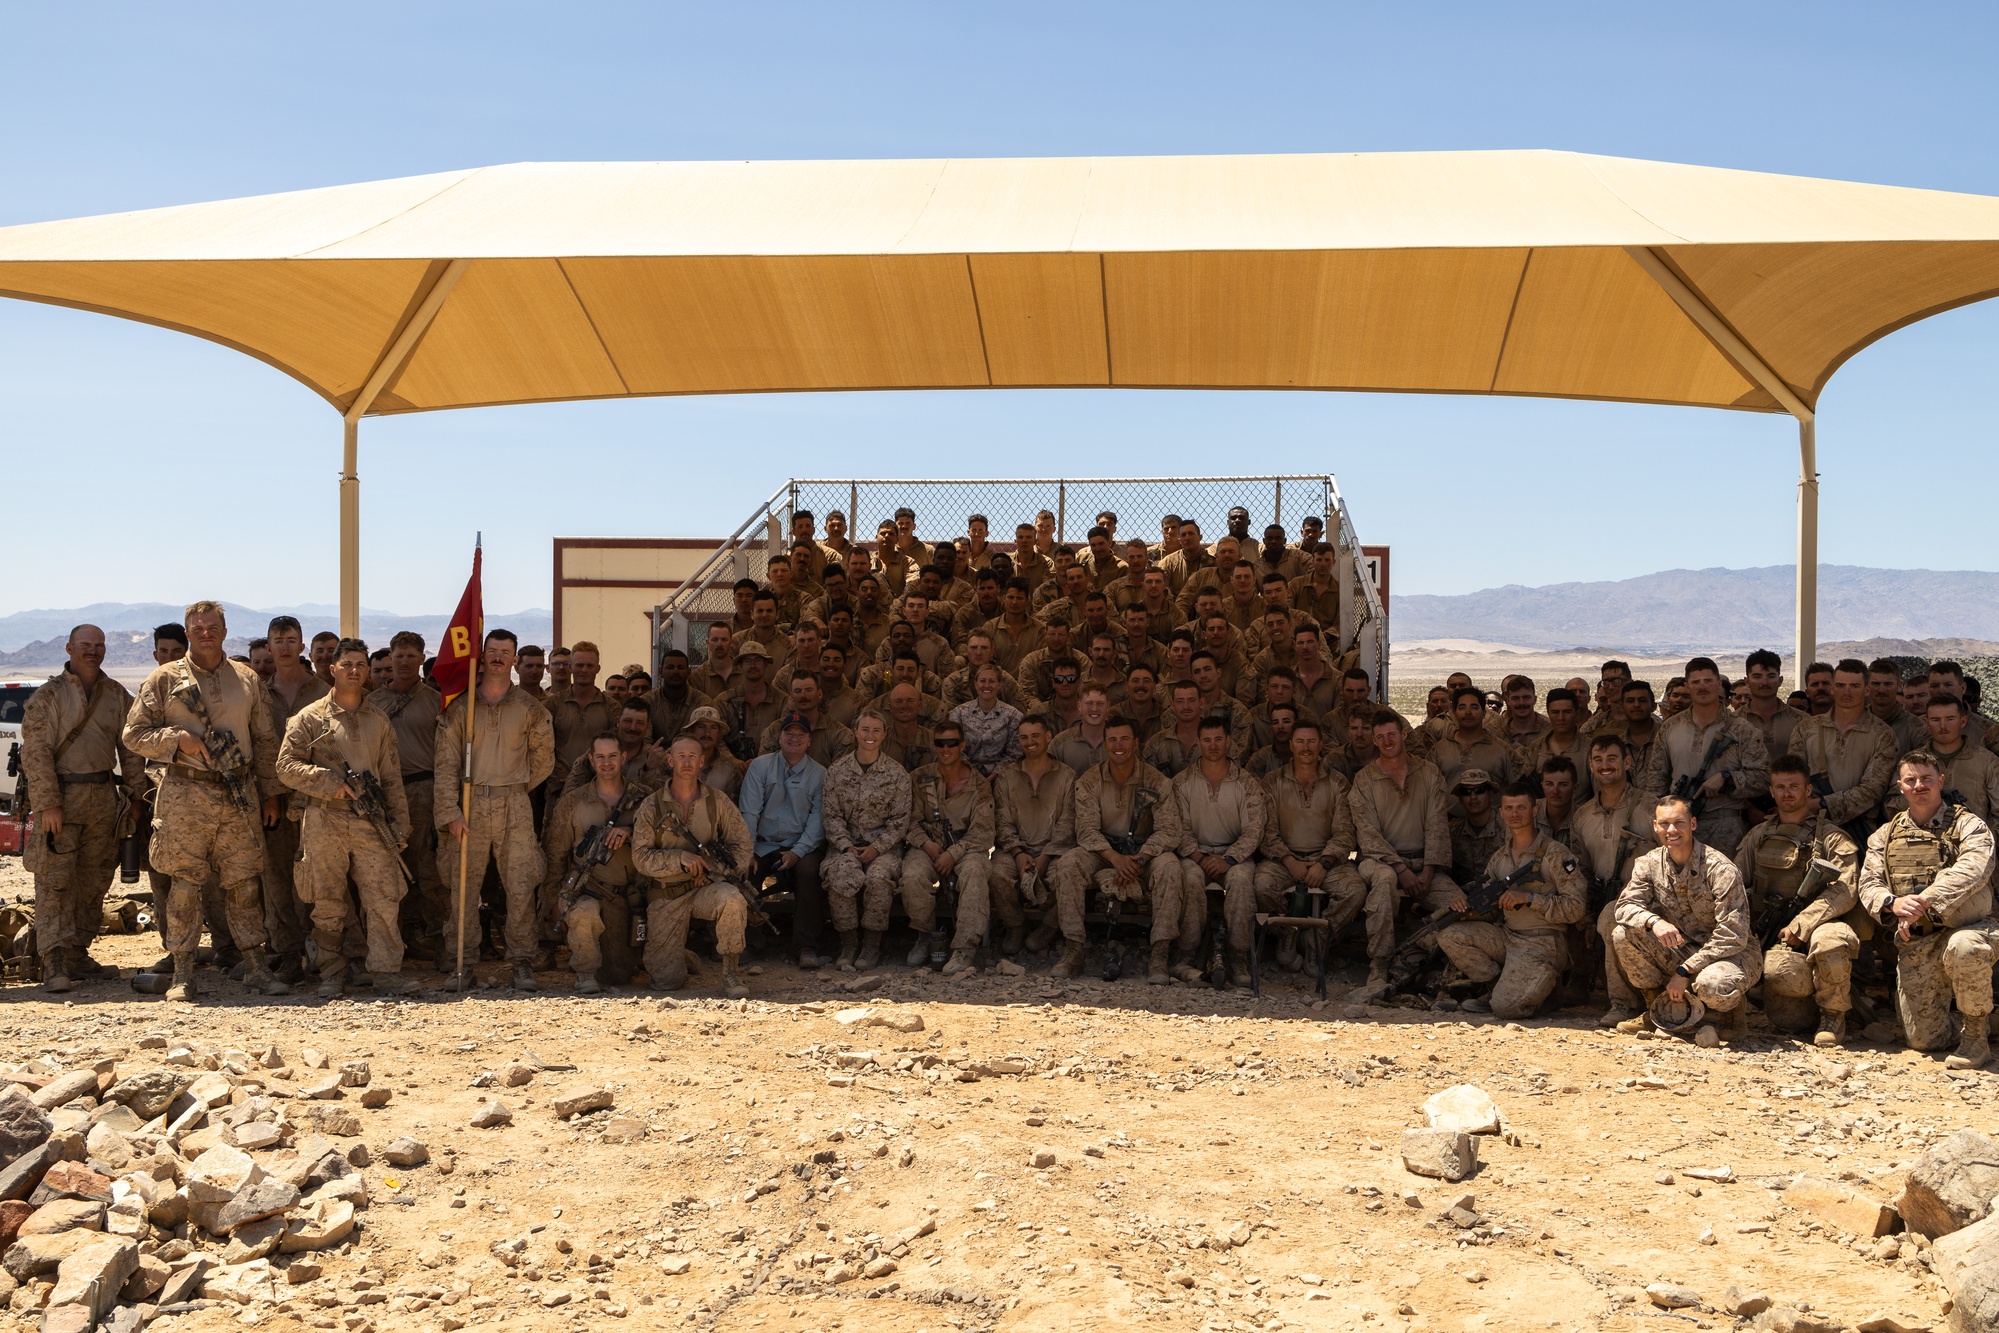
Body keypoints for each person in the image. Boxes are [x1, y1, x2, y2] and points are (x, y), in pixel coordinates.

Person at [121, 600, 291, 1001]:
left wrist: (270, 794)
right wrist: (175, 740)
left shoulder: (247, 678)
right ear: (188, 633)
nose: (206, 634)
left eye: (213, 627)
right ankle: (183, 972)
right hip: (184, 791)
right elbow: (133, 735)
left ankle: (255, 967)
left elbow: (266, 741)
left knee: (245, 883)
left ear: (224, 631)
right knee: (183, 885)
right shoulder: (164, 679)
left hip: (239, 791)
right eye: (198, 629)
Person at [276, 637, 417, 997]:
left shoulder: (378, 719)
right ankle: (331, 972)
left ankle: (386, 971)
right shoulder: (309, 718)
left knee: (384, 896)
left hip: (371, 820)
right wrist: (329, 783)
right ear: (332, 669)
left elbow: (391, 777)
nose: (354, 671)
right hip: (325, 818)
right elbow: (285, 767)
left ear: (368, 672)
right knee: (327, 900)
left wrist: (400, 823)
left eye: (360, 665)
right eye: (347, 664)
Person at [18, 624, 142, 991]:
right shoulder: (48, 696)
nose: (93, 651)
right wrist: (48, 804)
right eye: (85, 645)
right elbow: (35, 753)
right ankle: (54, 960)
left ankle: (77, 953)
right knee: (55, 881)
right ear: (70, 648)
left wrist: (135, 797)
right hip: (63, 799)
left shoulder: (116, 694)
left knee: (95, 878)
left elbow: (131, 750)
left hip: (104, 799)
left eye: (99, 646)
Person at [434, 628, 556, 991]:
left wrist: (513, 785)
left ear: (515, 659)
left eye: (506, 652)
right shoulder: (462, 707)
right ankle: (463, 962)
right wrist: (450, 810)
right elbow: (445, 763)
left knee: (520, 885)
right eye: (493, 651)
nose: (499, 657)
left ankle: (521, 960)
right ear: (482, 656)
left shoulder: (531, 709)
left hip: (514, 804)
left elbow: (544, 760)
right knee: (463, 889)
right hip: (469, 806)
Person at [1859, 751, 1997, 1069]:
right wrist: (1892, 903)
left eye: (1926, 779)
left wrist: (1923, 903)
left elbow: (1974, 869)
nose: (1919, 785)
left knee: (1966, 949)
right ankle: (1976, 1019)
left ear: (1941, 782)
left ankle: (1976, 1037)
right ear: (1901, 786)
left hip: (1970, 928)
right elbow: (1868, 883)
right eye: (1911, 780)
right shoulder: (1886, 834)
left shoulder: (1968, 825)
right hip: (1919, 938)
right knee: (1924, 1041)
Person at [1734, 754, 1862, 1046]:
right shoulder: (1759, 835)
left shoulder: (1831, 838)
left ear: (1808, 791)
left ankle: (1834, 1014)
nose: (1787, 793)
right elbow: (1735, 884)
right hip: (1775, 932)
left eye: (1794, 786)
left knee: (1832, 942)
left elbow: (1846, 889)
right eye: (1780, 787)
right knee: (1790, 1018)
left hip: (1820, 925)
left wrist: (1803, 923)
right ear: (1771, 791)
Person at [1611, 795, 1761, 1042]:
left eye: (1679, 823)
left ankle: (1733, 1013)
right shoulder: (1648, 864)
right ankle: (1656, 1008)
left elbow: (1733, 935)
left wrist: (1685, 970)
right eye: (1665, 823)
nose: (1672, 830)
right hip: (1683, 947)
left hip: (1732, 954)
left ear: (1693, 824)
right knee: (1623, 934)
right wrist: (1654, 922)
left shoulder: (1719, 868)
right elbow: (1625, 906)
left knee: (1712, 986)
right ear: (1655, 827)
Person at [1437, 781, 1587, 1018]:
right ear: (1501, 812)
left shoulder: (1556, 854)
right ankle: (1498, 987)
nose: (1514, 814)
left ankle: (1546, 992)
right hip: (1508, 938)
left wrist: (1530, 898)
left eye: (1521, 807)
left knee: (1506, 1009)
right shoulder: (1499, 858)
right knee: (1449, 933)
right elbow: (1493, 910)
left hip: (1543, 942)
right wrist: (1468, 909)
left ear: (1535, 810)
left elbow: (1576, 908)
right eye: (1508, 808)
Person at [1054, 715, 1184, 983]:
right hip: (1104, 851)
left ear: (1136, 743)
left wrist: (1139, 858)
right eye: (1112, 739)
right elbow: (1086, 829)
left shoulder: (1156, 780)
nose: (1118, 745)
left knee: (1171, 867)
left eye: (1125, 738)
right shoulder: (1090, 780)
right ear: (1104, 743)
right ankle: (1073, 949)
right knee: (1068, 863)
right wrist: (1115, 858)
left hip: (1145, 851)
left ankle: (1160, 953)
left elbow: (1169, 829)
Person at [630, 735, 756, 997]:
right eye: (680, 756)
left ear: (701, 762)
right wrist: (679, 859)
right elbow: (640, 857)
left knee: (732, 898)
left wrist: (711, 871)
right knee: (665, 981)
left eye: (692, 757)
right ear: (669, 761)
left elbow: (742, 846)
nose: (686, 762)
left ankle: (731, 974)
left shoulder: (717, 801)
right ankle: (681, 957)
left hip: (705, 889)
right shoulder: (651, 805)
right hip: (667, 894)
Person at [1349, 711, 1458, 1000]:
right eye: (1380, 737)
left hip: (1425, 863)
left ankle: (1448, 965)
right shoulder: (1364, 780)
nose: (1387, 741)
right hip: (1381, 861)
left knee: (1459, 905)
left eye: (1392, 735)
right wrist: (1400, 868)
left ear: (1404, 734)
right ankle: (1380, 964)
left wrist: (1428, 871)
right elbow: (1367, 832)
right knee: (1384, 883)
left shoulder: (1428, 773)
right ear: (1374, 740)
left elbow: (1437, 823)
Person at [1253, 719, 1374, 977]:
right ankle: (1287, 933)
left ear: (1320, 745)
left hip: (1327, 861)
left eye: (1311, 741)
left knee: (1354, 891)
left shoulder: (1338, 783)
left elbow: (1345, 832)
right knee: (1261, 885)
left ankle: (1318, 939)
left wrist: (1325, 862)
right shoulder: (1272, 782)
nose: (1306, 747)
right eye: (1300, 741)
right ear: (1291, 745)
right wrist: (1289, 861)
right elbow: (1266, 832)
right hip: (1283, 860)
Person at [544, 734, 652, 994]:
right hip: (587, 888)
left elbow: (664, 840)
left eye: (612, 756)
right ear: (591, 760)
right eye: (600, 757)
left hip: (628, 896)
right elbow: (555, 855)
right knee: (583, 913)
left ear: (623, 758)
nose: (607, 763)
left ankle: (676, 957)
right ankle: (585, 972)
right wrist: (553, 902)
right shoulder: (572, 802)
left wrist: (630, 831)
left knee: (619, 974)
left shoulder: (644, 798)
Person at [1638, 657, 1768, 856]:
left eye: (1708, 681)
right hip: (1680, 829)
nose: (1702, 687)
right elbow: (1656, 782)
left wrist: (1728, 779)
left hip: (1726, 829)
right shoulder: (1670, 728)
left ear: (1718, 684)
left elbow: (1763, 777)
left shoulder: (1742, 729)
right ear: (1687, 686)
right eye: (1696, 682)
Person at [1172, 715, 1268, 986]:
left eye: (1218, 740)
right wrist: (1200, 857)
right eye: (1207, 740)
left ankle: (1238, 956)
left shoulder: (1246, 783)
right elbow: (1178, 827)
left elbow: (1254, 829)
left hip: (1234, 856)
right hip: (1196, 854)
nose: (1213, 746)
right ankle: (1187, 951)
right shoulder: (1181, 783)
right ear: (1198, 743)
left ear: (1228, 742)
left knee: (1240, 881)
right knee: (1189, 879)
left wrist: (1229, 858)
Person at [1574, 733, 1659, 1028]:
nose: (1604, 766)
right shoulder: (1582, 814)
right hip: (1603, 896)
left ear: (1627, 763)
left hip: (1650, 901)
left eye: (1612, 759)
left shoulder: (1650, 807)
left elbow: (1675, 853)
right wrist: (1585, 918)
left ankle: (1624, 1004)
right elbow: (1581, 870)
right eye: (1597, 760)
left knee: (1612, 918)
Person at [260, 616, 329, 979]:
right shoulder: (258, 693)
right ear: (269, 647)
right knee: (277, 878)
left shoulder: (323, 693)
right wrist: (270, 794)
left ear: (302, 646)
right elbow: (258, 747)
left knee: (317, 876)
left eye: (291, 640)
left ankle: (322, 953)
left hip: (316, 798)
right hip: (274, 801)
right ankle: (288, 953)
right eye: (278, 640)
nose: (285, 646)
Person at [820, 711, 914, 971]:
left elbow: (900, 821)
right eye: (865, 730)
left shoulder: (897, 774)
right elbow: (831, 815)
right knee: (842, 872)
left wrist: (877, 848)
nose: (869, 736)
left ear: (885, 734)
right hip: (844, 845)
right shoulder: (837, 771)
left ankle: (871, 945)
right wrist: (845, 846)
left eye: (876, 731)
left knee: (878, 878)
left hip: (884, 848)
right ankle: (848, 943)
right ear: (855, 731)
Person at [900, 720, 995, 977]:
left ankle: (965, 948)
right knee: (912, 875)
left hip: (966, 848)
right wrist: (929, 846)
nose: (946, 748)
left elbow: (984, 832)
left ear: (962, 745)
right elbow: (908, 820)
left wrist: (953, 853)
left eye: (952, 743)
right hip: (928, 844)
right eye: (940, 743)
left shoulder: (979, 785)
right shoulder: (919, 778)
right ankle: (925, 936)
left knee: (976, 872)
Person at [739, 714, 829, 969]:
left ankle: (806, 947)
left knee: (810, 873)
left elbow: (817, 819)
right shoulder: (760, 766)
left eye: (801, 735)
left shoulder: (819, 774)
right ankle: (751, 944)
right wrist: (747, 850)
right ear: (779, 737)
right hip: (762, 844)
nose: (794, 739)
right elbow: (749, 811)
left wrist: (797, 852)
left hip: (801, 844)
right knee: (745, 876)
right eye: (789, 733)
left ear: (809, 741)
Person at [991, 715, 1077, 958]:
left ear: (1048, 737)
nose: (1030, 742)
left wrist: (1047, 856)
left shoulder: (1067, 776)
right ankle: (1015, 926)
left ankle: (1048, 927)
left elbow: (1068, 820)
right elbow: (1001, 820)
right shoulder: (1007, 777)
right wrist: (1018, 853)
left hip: (1055, 850)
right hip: (1015, 850)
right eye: (1024, 737)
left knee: (1070, 876)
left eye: (1035, 736)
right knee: (996, 874)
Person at [1787, 657, 1897, 845]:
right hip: (1809, 828)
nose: (1846, 692)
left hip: (1859, 832)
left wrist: (1823, 804)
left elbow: (1872, 790)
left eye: (1854, 686)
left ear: (1867, 690)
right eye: (1840, 685)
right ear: (1832, 688)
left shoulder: (1883, 735)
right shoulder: (1806, 729)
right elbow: (1792, 776)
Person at [1429, 686, 1516, 790]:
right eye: (1462, 707)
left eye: (1474, 707)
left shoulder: (1503, 749)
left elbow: (1516, 789)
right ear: (1454, 713)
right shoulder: (1438, 750)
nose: (1468, 712)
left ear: (1484, 713)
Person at [951, 664, 1025, 775]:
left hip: (1002, 776)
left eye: (991, 681)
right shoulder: (958, 713)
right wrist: (972, 775)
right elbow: (955, 749)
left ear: (999, 684)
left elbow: (1014, 753)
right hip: (965, 774)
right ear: (975, 684)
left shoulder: (1013, 715)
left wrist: (994, 776)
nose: (986, 685)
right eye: (982, 681)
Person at [1447, 769, 1503, 884]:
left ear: (1491, 795)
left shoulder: (1509, 829)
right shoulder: (1451, 832)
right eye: (1466, 792)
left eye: (1479, 790)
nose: (1473, 796)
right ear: (1460, 799)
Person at [1867, 657, 1930, 755]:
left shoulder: (1916, 728)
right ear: (1867, 686)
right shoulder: (1856, 723)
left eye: (1888, 684)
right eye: (1876, 684)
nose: (1881, 690)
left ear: (1899, 685)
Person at [1049, 686, 1112, 774]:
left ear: (1108, 707)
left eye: (1100, 703)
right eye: (1089, 703)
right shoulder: (1060, 744)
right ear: (1079, 706)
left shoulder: (1121, 741)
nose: (1094, 709)